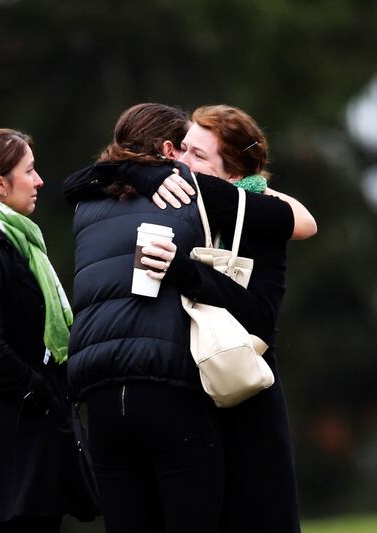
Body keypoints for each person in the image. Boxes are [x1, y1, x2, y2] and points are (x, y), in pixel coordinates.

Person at [64, 103, 314, 533]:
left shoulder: (242, 209)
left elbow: (263, 312)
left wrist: (185, 271)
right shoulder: (174, 197)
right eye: (181, 150)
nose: (181, 161)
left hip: (241, 398)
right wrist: (141, 173)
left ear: (233, 173)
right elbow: (76, 184)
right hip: (187, 396)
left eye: (196, 154)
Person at [65, 103, 223, 533]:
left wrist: (132, 171)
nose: (190, 157)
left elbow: (75, 182)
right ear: (169, 149)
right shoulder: (189, 190)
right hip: (166, 381)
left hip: (99, 390)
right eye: (185, 148)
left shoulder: (86, 204)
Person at [0, 128, 96, 533]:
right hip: (14, 437)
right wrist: (38, 393)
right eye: (29, 170)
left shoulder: (13, 241)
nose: (39, 180)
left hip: (35, 433)